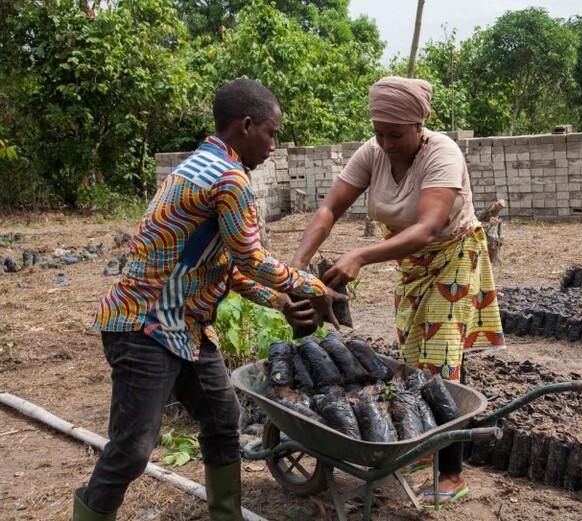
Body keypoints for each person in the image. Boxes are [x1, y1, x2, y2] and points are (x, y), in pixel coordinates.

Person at [73, 79, 342, 521]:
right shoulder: (228, 177)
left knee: (222, 419)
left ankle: (226, 515)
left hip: (185, 327)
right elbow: (252, 260)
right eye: (271, 133)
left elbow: (228, 268)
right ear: (246, 125)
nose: (275, 144)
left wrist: (278, 302)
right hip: (144, 325)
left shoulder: (201, 166)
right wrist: (314, 287)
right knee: (131, 450)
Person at [291, 76, 505, 505]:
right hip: (410, 263)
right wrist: (296, 267)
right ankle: (419, 449)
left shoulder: (442, 153)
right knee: (411, 358)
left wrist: (361, 255)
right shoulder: (373, 152)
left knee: (441, 360)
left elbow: (427, 228)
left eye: (395, 134)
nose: (385, 142)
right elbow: (330, 208)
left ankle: (451, 473)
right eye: (378, 132)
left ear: (418, 125)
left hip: (452, 256)